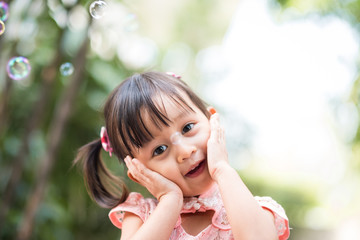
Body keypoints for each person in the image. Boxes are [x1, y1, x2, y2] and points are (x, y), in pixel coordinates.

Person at [74, 71, 290, 240]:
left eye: (188, 128)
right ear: (139, 172)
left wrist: (222, 170)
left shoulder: (249, 207)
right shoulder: (141, 216)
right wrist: (170, 200)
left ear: (212, 120)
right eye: (159, 150)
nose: (185, 152)